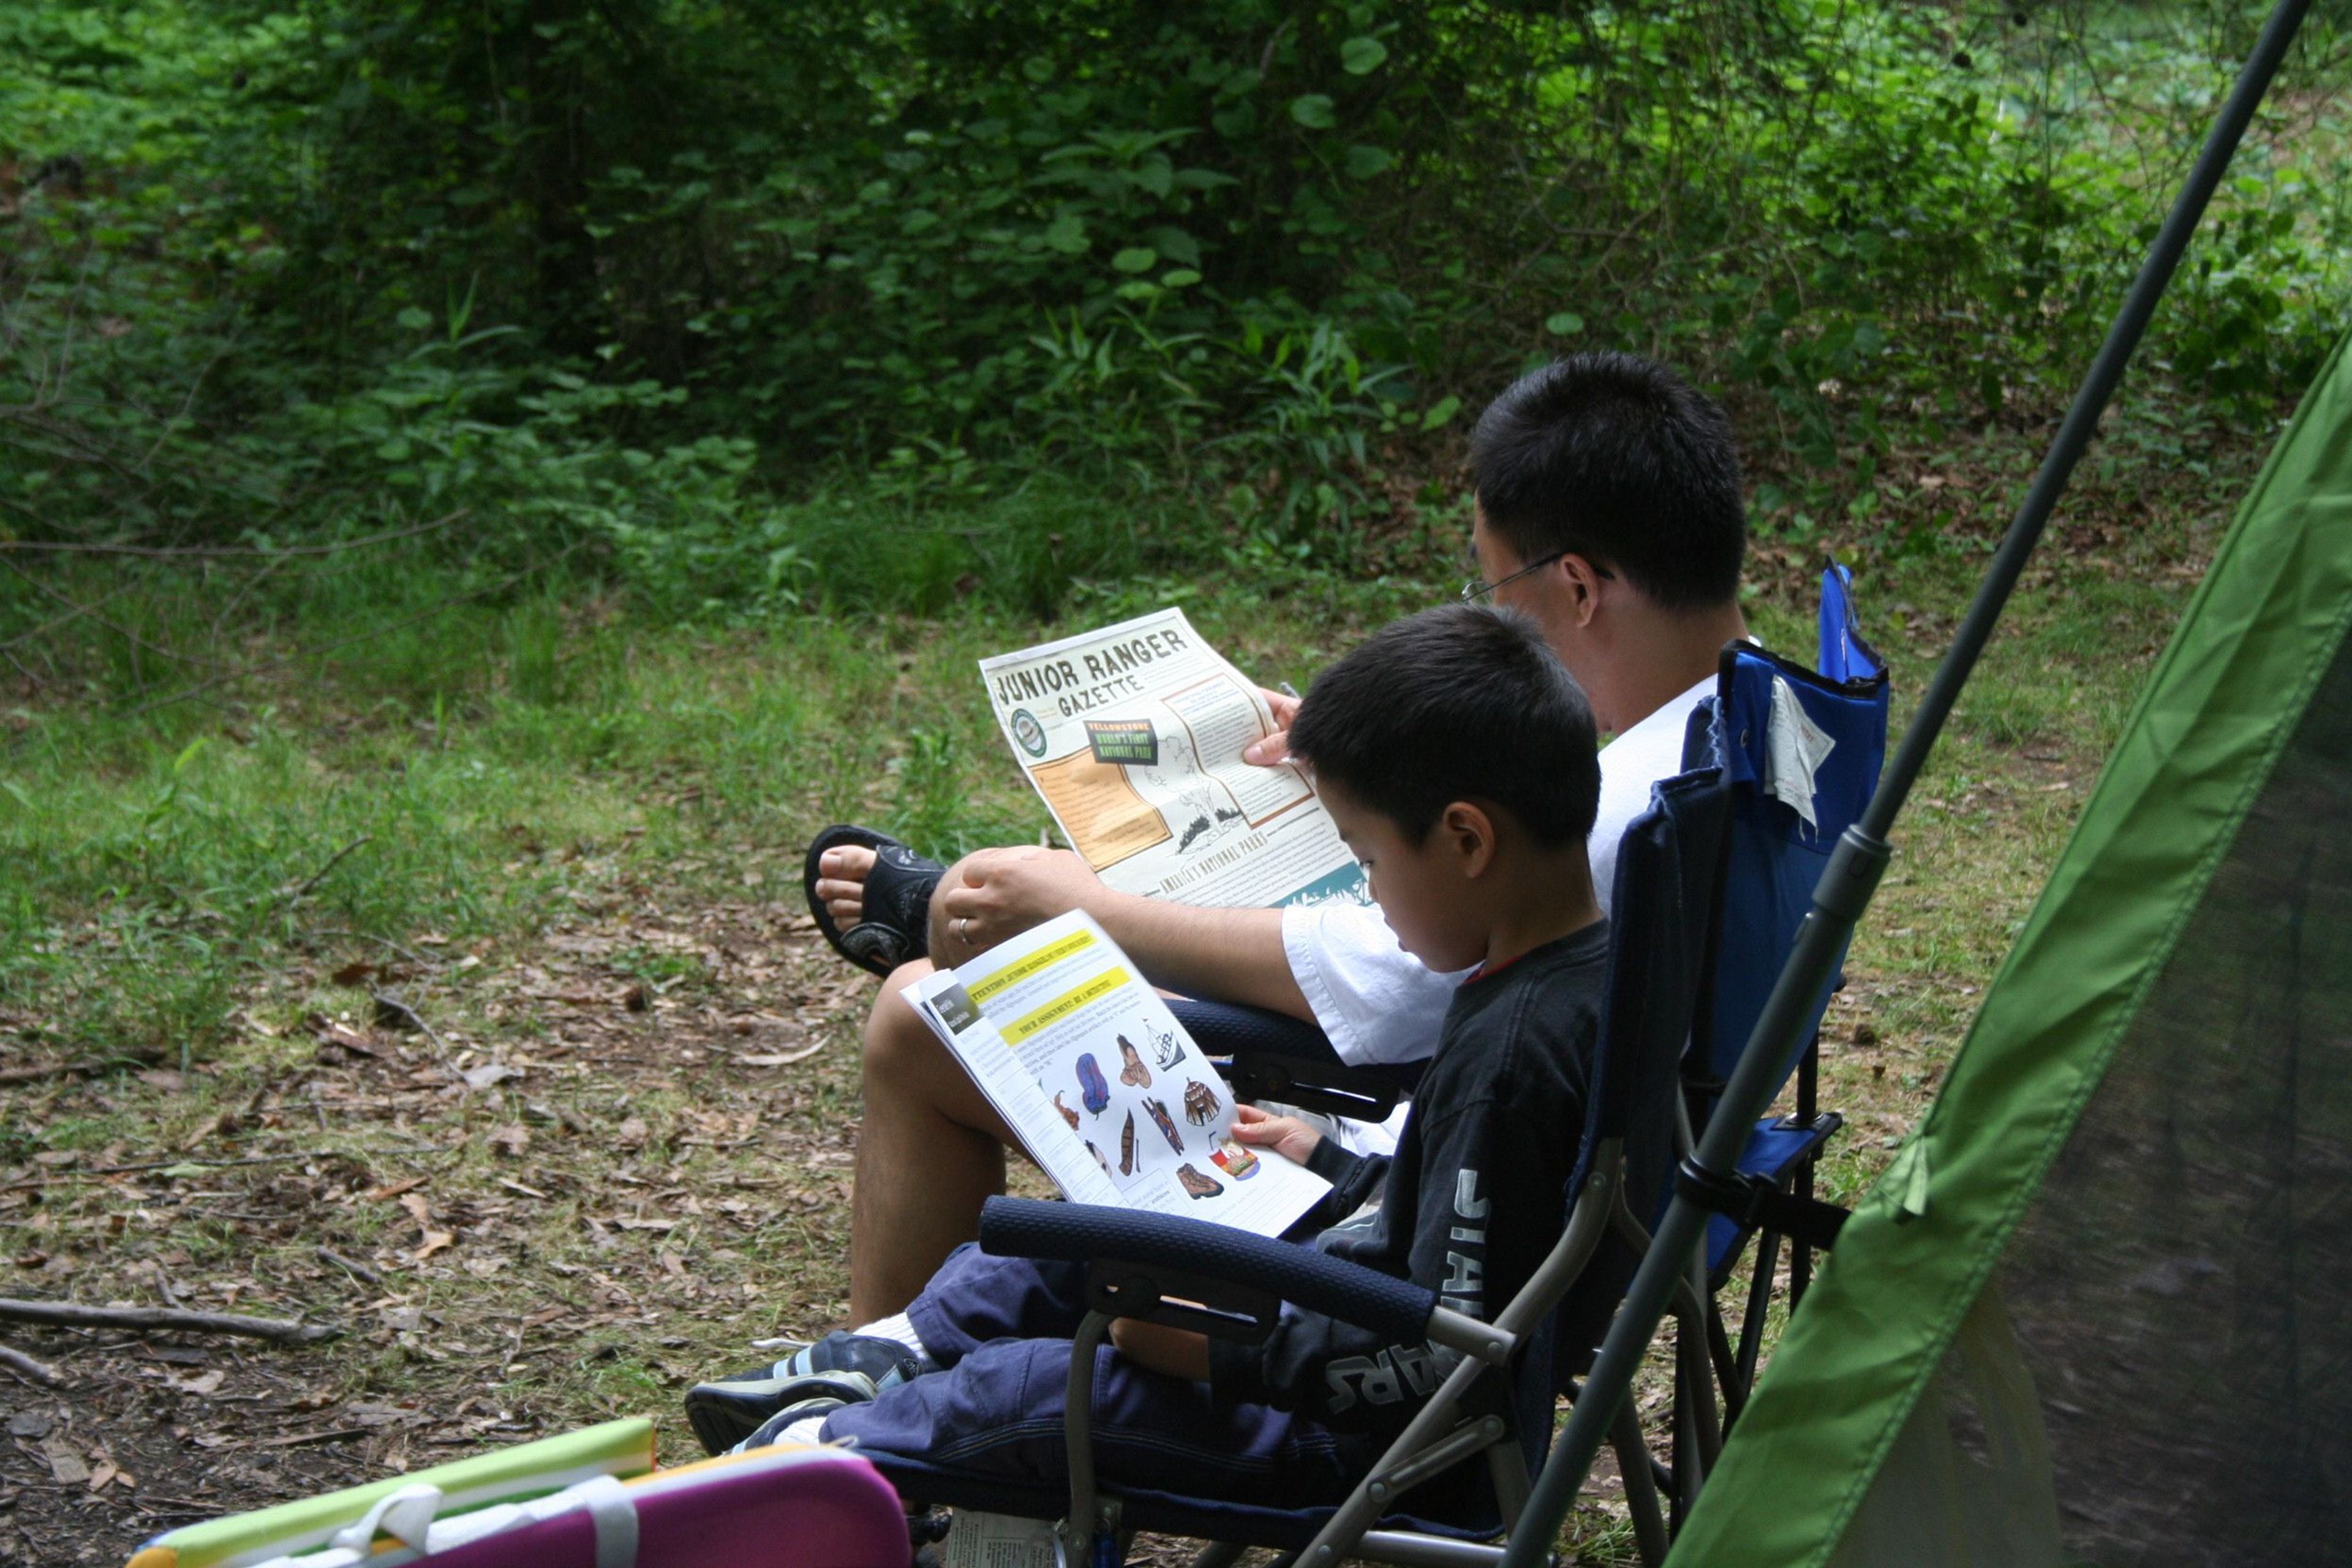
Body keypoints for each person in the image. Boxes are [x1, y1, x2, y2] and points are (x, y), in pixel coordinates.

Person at [821, 351, 1751, 1317]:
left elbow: (1393, 990)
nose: (1490, 612)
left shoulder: (1626, 816)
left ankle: (883, 1418)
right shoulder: (1757, 725)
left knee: (921, 1012)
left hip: (1382, 1166)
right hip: (1599, 1148)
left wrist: (1089, 910)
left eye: (1494, 594)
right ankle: (994, 911)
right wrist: (1380, 763)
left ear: (1579, 588)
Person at [689, 605, 1610, 1520]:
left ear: (1465, 840)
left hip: (1367, 1436)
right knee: (1102, 1236)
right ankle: (886, 1355)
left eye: (1368, 861)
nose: (1368, 889)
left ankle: (808, 1465)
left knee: (1033, 1390)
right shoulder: (1577, 975)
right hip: (1342, 1326)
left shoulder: (1509, 1055)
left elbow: (1451, 1349)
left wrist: (1220, 1353)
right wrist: (1329, 1166)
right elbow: (1469, 1224)